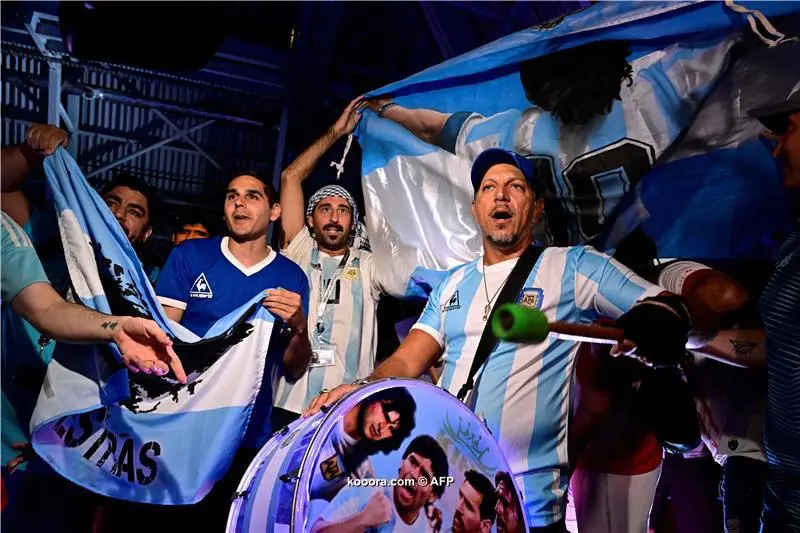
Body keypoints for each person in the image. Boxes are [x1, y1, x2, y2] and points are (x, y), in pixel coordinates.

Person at [305, 148, 693, 532]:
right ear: (476, 208)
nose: (501, 195)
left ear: (537, 207)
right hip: (452, 507)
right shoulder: (452, 284)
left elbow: (663, 306)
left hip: (528, 510)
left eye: (515, 186)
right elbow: (406, 362)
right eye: (488, 187)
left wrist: (656, 323)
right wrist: (358, 390)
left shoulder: (573, 267)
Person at [366, 37, 736, 249]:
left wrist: (388, 110)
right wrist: (387, 109)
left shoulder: (521, 132)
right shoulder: (655, 89)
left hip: (615, 263)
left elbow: (438, 128)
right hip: (588, 267)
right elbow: (732, 27)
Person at [1, 209, 186, 531]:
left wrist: (117, 327)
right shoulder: (47, 257)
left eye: (134, 211)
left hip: (62, 450)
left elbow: (48, 309)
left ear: (147, 231)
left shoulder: (144, 290)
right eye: (110, 204)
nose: (117, 215)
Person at [275, 97, 404, 427]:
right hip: (287, 406)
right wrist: (336, 131)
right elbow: (290, 177)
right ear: (310, 220)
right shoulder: (298, 250)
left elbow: (406, 270)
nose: (334, 217)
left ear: (354, 222)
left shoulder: (370, 265)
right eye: (325, 208)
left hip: (346, 410)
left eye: (343, 210)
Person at [745, 77, 800, 531]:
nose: (776, 148)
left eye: (788, 129)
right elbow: (779, 346)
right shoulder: (793, 246)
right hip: (782, 500)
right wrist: (690, 340)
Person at [309, 434, 450, 533]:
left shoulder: (428, 529)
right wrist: (363, 519)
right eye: (412, 462)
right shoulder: (363, 491)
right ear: (402, 463)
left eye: (424, 474)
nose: (414, 474)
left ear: (432, 495)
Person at [310, 387, 417, 502]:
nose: (383, 427)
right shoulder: (331, 405)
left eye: (392, 429)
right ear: (375, 396)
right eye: (386, 415)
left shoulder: (362, 473)